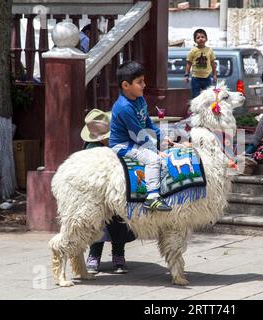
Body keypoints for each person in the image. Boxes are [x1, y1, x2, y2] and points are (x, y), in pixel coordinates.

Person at [110, 61, 173, 211]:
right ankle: (152, 197)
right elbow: (138, 135)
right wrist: (155, 151)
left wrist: (162, 137)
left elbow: (147, 123)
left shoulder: (140, 99)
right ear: (126, 85)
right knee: (154, 160)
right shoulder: (124, 107)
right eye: (139, 82)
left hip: (136, 139)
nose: (144, 85)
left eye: (143, 80)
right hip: (123, 145)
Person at [81, 109, 136, 274]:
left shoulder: (120, 141)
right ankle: (94, 255)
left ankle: (118, 255)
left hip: (119, 188)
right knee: (98, 221)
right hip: (97, 190)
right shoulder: (91, 148)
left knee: (119, 220)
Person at [184, 28, 217, 98]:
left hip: (207, 77)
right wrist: (186, 75)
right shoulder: (193, 51)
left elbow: (212, 63)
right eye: (198, 37)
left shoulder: (209, 50)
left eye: (202, 37)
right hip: (196, 78)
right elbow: (189, 63)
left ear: (206, 39)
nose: (200, 39)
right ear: (195, 40)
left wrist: (214, 75)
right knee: (195, 96)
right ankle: (195, 109)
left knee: (208, 97)